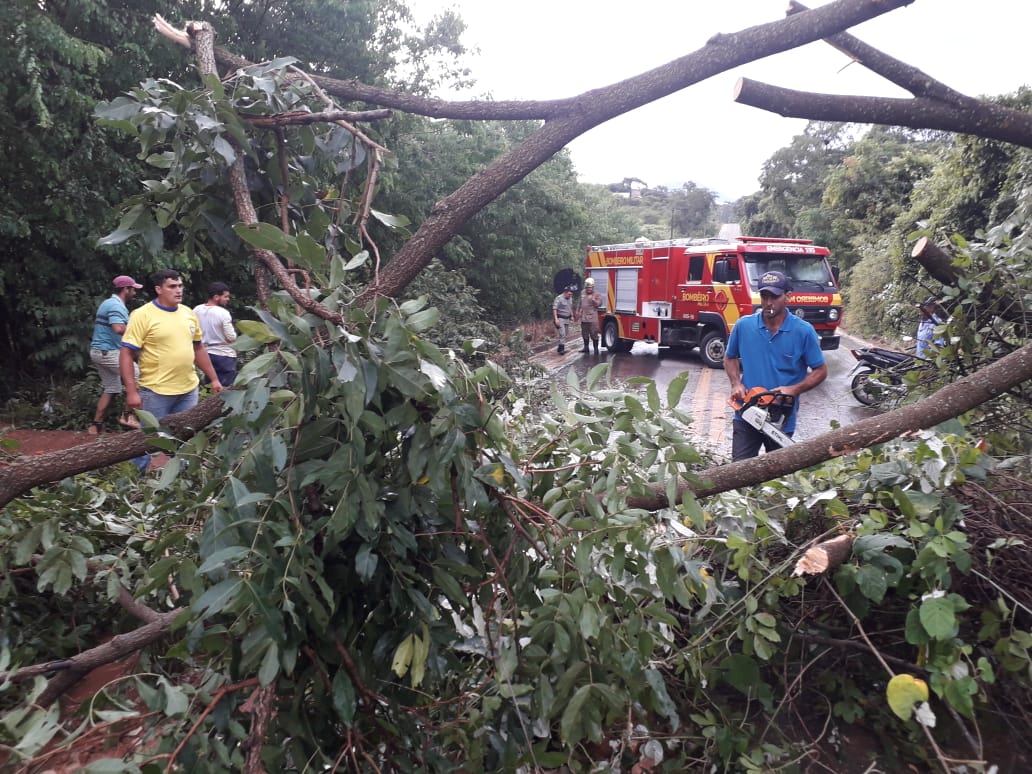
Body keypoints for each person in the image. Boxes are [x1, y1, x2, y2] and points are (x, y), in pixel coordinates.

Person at [120, 269, 224, 472]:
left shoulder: (188, 313)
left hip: (188, 389)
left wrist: (214, 379)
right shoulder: (142, 315)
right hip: (155, 391)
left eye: (180, 286)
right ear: (158, 289)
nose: (178, 290)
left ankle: (180, 480)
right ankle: (137, 482)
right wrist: (132, 392)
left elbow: (198, 348)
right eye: (172, 286)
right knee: (148, 440)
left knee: (183, 438)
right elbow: (126, 354)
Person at [723, 270, 828, 461]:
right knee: (739, 472)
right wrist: (736, 384)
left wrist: (793, 389)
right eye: (764, 296)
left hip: (781, 416)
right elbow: (730, 357)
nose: (769, 302)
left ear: (788, 296)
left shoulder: (803, 331)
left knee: (776, 477)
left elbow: (820, 371)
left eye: (775, 296)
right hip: (747, 411)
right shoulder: (744, 326)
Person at [88, 275, 143, 434]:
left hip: (100, 351)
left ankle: (96, 425)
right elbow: (118, 328)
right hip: (108, 352)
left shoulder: (109, 303)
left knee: (111, 388)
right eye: (133, 289)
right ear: (126, 289)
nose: (135, 292)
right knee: (138, 375)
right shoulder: (116, 305)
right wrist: (141, 332)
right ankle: (127, 416)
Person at [193, 281, 238, 385]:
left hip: (204, 353)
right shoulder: (223, 313)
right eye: (225, 296)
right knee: (227, 388)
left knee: (210, 385)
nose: (228, 299)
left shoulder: (197, 310)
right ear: (216, 297)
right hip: (224, 354)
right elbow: (231, 337)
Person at [576, 277, 605, 354]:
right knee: (584, 333)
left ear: (593, 287)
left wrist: (594, 300)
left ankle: (596, 349)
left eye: (590, 288)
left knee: (594, 333)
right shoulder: (582, 292)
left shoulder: (597, 294)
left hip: (592, 318)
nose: (588, 289)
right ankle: (586, 347)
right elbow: (579, 302)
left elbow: (599, 304)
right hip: (584, 317)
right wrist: (577, 311)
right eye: (587, 288)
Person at [552, 285, 575, 354]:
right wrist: (556, 319)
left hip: (567, 318)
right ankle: (562, 349)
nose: (570, 295)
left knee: (566, 333)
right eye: (569, 294)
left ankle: (559, 347)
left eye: (571, 294)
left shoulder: (570, 298)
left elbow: (570, 307)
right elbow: (554, 309)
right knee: (563, 333)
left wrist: (572, 316)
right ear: (565, 292)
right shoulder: (559, 298)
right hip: (560, 318)